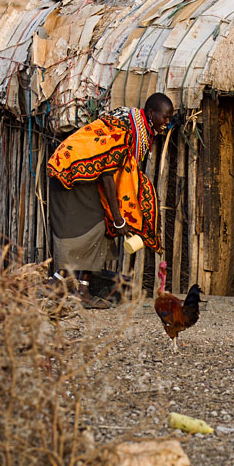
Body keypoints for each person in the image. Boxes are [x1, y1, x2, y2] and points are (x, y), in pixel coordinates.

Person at [46, 93, 174, 308]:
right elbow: (107, 174)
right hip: (71, 177)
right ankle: (65, 286)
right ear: (151, 114)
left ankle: (74, 287)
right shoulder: (124, 132)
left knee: (99, 228)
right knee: (94, 228)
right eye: (165, 117)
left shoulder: (131, 124)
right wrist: (118, 219)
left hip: (80, 176)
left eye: (170, 118)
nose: (167, 123)